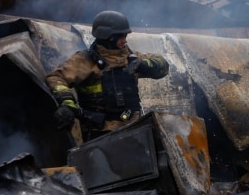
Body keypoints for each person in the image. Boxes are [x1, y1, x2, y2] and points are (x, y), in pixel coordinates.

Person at [46, 10, 170, 141]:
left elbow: (163, 66)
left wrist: (145, 65)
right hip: (99, 133)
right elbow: (56, 78)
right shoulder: (84, 60)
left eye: (125, 36)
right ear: (108, 37)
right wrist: (67, 105)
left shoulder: (131, 57)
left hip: (133, 129)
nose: (125, 41)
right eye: (120, 36)